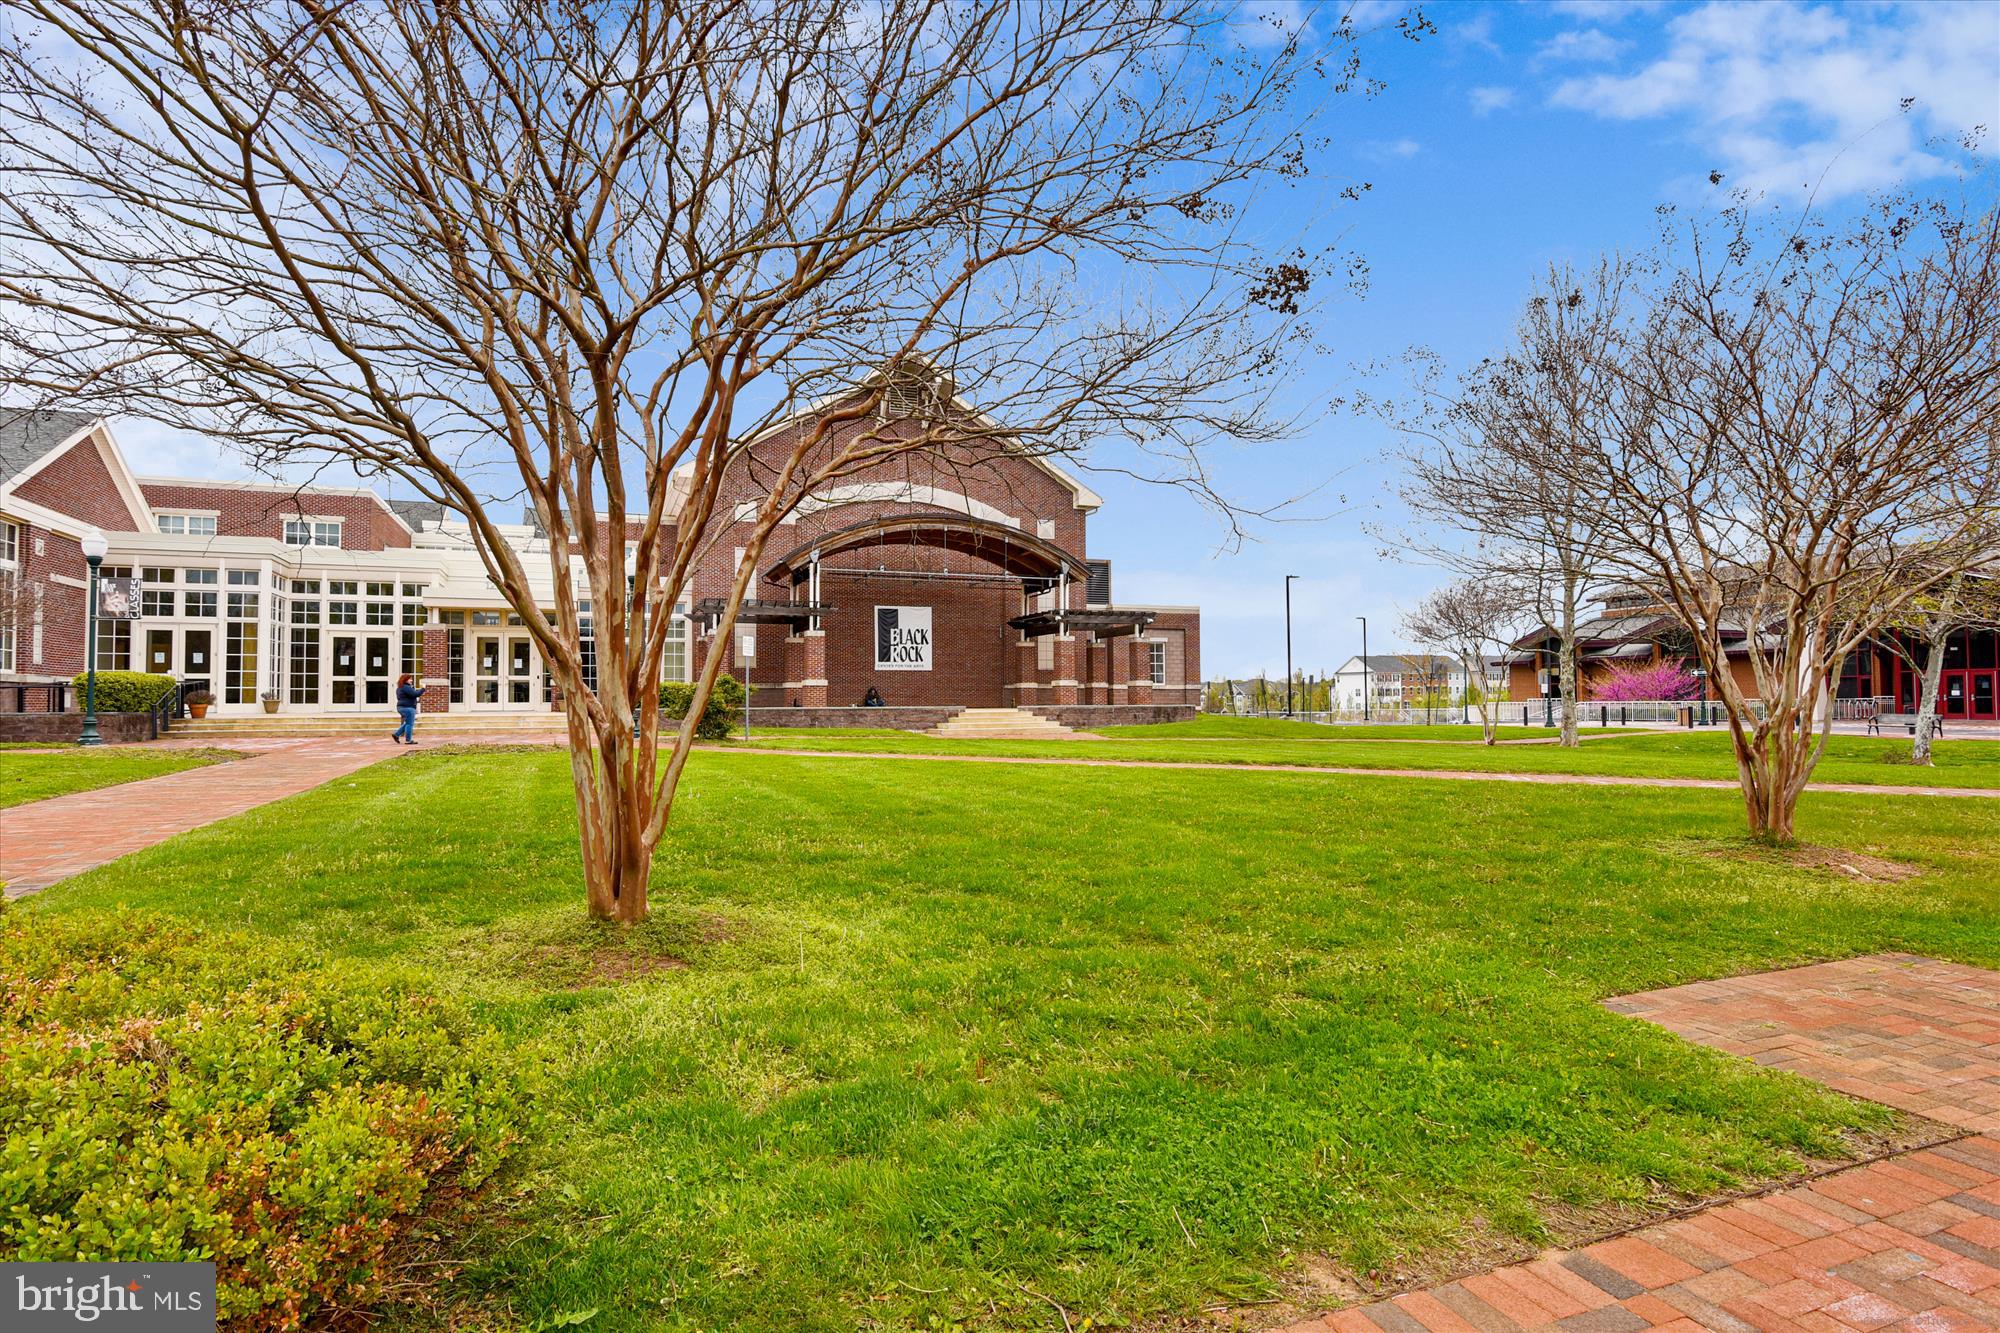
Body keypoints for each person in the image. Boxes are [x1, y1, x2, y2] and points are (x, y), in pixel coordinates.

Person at [392, 673, 426, 744]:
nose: (412, 680)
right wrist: (423, 689)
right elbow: (415, 694)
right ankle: (408, 740)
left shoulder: (400, 687)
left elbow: (410, 695)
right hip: (408, 708)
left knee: (407, 722)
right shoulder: (406, 687)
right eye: (410, 679)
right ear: (405, 680)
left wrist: (412, 688)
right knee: (410, 724)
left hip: (401, 707)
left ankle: (396, 734)